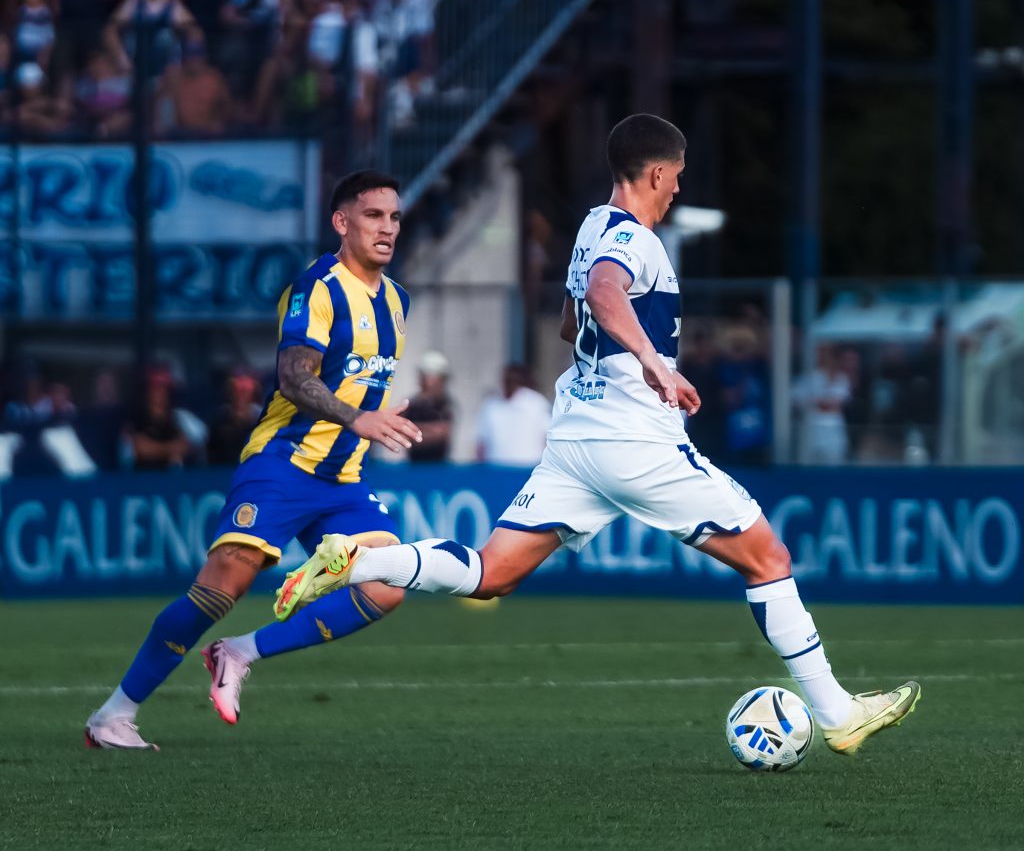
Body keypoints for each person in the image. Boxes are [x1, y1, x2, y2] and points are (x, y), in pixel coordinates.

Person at [281, 115, 921, 757]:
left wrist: (620, 335)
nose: (678, 189)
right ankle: (838, 714)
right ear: (657, 173)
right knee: (770, 560)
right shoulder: (635, 240)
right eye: (677, 176)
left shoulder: (591, 226)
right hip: (635, 441)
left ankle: (357, 561)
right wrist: (653, 362)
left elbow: (572, 319)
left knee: (491, 573)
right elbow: (602, 292)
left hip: (576, 443)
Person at [84, 171, 421, 750]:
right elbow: (293, 376)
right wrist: (358, 417)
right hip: (283, 463)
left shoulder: (397, 300)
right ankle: (113, 716)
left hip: (343, 477)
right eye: (373, 215)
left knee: (387, 585)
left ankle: (240, 652)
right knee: (220, 589)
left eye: (394, 217)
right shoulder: (317, 287)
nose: (387, 227)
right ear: (342, 222)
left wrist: (371, 420)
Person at [476, 364, 550, 466]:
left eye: (513, 379)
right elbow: (481, 443)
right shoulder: (491, 405)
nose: (509, 383)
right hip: (495, 468)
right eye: (507, 379)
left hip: (529, 468)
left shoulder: (536, 403)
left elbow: (547, 438)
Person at [405, 351, 456, 463]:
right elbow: (407, 436)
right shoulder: (412, 404)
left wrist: (419, 430)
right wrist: (431, 430)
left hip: (439, 466)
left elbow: (442, 433)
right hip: (415, 466)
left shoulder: (446, 404)